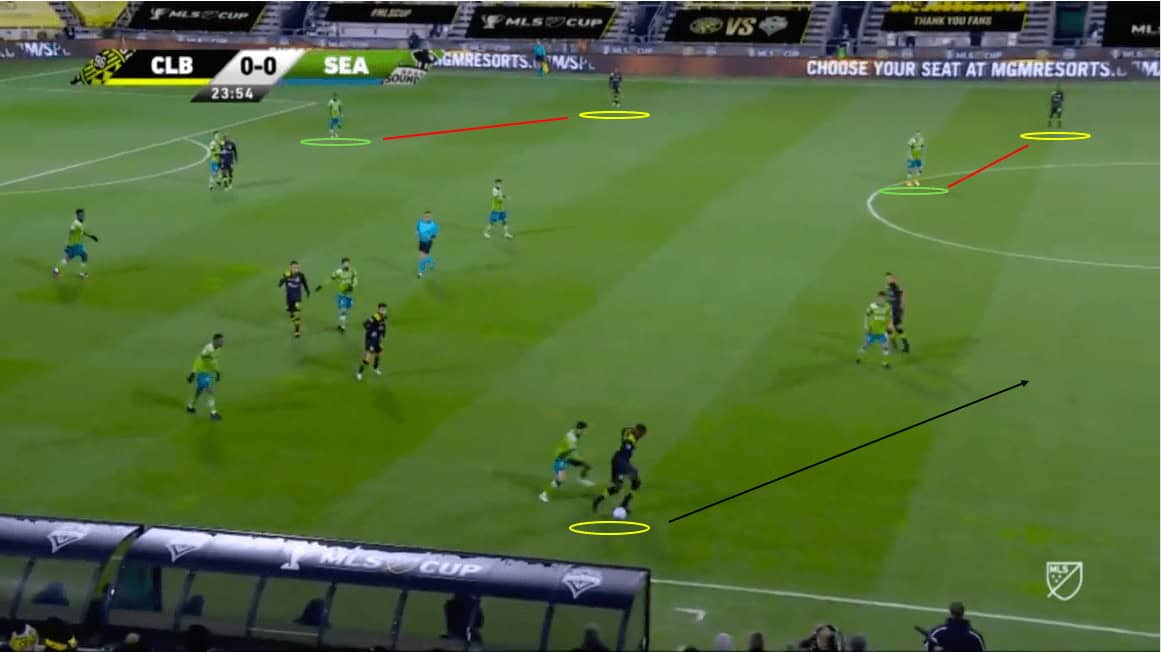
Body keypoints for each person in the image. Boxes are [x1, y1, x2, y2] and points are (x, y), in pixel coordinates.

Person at [592, 423, 647, 513]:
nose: (642, 436)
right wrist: (629, 440)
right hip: (620, 462)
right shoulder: (630, 440)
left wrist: (632, 430)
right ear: (639, 432)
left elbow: (624, 431)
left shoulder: (632, 436)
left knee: (618, 487)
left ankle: (598, 500)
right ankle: (624, 503)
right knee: (635, 478)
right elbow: (627, 442)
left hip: (619, 460)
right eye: (642, 434)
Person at [540, 421, 594, 502]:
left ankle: (582, 479)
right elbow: (573, 453)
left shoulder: (574, 433)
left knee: (587, 465)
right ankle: (543, 494)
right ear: (580, 429)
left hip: (567, 456)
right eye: (584, 430)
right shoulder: (571, 439)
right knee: (560, 480)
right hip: (560, 458)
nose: (585, 432)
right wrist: (581, 460)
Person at [186, 333, 224, 420]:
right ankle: (213, 413)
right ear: (215, 341)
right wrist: (193, 373)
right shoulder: (208, 349)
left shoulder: (218, 349)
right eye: (221, 341)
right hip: (202, 372)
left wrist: (217, 372)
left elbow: (214, 361)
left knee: (199, 391)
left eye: (223, 341)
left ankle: (190, 407)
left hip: (208, 372)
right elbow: (199, 359)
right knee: (210, 391)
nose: (222, 343)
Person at [52, 208, 98, 278]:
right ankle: (56, 270)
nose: (82, 216)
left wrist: (91, 236)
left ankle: (56, 270)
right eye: (80, 215)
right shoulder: (75, 223)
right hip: (74, 245)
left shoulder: (81, 223)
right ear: (77, 215)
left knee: (78, 257)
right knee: (73, 257)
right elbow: (71, 231)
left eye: (83, 214)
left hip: (78, 244)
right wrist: (67, 243)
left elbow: (82, 232)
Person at [316, 257, 358, 332]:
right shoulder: (338, 272)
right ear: (342, 264)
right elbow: (330, 279)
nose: (347, 265)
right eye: (345, 263)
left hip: (349, 293)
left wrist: (352, 286)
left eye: (348, 263)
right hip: (341, 293)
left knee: (345, 310)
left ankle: (342, 324)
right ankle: (343, 326)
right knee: (343, 309)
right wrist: (322, 285)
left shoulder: (353, 271)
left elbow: (355, 280)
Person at [856, 291, 892, 368]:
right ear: (877, 298)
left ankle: (885, 363)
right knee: (865, 346)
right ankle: (859, 358)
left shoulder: (887, 306)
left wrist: (890, 325)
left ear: (885, 299)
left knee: (885, 348)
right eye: (879, 298)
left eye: (882, 298)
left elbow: (890, 317)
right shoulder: (872, 306)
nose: (880, 300)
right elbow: (867, 316)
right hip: (872, 331)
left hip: (882, 332)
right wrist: (866, 326)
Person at [278, 260, 311, 338]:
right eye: (294, 267)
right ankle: (297, 324)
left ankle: (297, 330)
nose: (296, 269)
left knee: (296, 313)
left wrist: (307, 291)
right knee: (291, 313)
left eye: (297, 268)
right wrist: (282, 281)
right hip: (289, 297)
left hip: (297, 297)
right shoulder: (286, 274)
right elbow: (280, 282)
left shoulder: (301, 275)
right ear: (290, 267)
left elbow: (305, 283)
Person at [356, 302, 388, 381]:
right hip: (371, 340)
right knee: (368, 357)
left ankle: (375, 368)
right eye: (382, 309)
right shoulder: (375, 317)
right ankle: (360, 372)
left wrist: (382, 335)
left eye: (384, 309)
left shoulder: (384, 317)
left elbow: (383, 327)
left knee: (378, 354)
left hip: (378, 339)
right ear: (378, 309)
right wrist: (372, 332)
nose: (383, 311)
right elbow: (365, 324)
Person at [885, 272, 910, 353]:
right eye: (887, 279)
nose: (888, 280)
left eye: (889, 278)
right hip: (891, 311)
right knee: (898, 328)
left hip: (895, 311)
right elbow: (889, 299)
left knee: (889, 328)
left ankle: (894, 346)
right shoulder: (889, 288)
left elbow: (902, 297)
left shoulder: (896, 288)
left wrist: (902, 310)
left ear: (894, 279)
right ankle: (906, 346)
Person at [416, 210, 440, 278]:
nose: (427, 218)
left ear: (430, 217)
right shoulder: (419, 222)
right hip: (421, 242)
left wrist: (431, 236)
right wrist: (418, 233)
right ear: (424, 216)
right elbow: (417, 230)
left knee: (423, 258)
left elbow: (437, 233)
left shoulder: (433, 225)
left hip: (428, 242)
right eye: (426, 216)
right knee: (421, 257)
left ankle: (420, 272)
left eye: (428, 216)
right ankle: (432, 263)